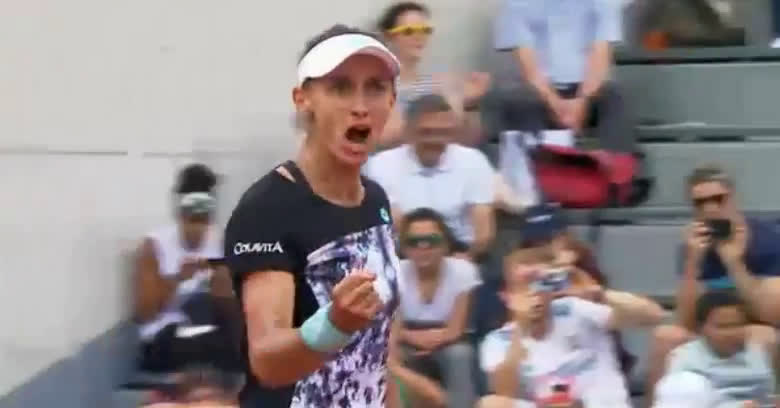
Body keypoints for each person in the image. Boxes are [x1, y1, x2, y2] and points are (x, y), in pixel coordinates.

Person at [224, 25, 402, 407]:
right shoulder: (267, 208)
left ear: (392, 101)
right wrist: (333, 324)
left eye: (375, 87)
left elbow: (376, 354)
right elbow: (266, 361)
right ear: (303, 100)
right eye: (340, 87)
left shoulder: (377, 200)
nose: (360, 105)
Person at [645, 164, 780, 404]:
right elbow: (685, 320)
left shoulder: (768, 238)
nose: (710, 208)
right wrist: (692, 262)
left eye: (718, 199)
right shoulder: (693, 246)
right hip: (710, 327)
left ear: (732, 197)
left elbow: (772, 314)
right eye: (700, 202)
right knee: (666, 336)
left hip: (754, 325)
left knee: (766, 335)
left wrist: (734, 263)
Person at [478, 246, 664, 408]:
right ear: (507, 296)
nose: (533, 293)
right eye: (523, 286)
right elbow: (504, 391)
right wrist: (521, 328)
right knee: (491, 404)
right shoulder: (499, 340)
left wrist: (599, 293)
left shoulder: (575, 309)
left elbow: (653, 316)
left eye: (539, 284)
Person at [133, 163, 241, 373]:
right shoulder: (155, 245)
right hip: (164, 338)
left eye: (203, 218)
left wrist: (223, 290)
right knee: (210, 346)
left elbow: (231, 315)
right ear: (181, 213)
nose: (197, 228)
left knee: (238, 344)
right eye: (192, 218)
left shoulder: (221, 242)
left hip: (207, 332)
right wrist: (178, 279)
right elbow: (144, 313)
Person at [364, 94, 496, 261]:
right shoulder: (381, 164)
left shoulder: (474, 161)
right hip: (403, 252)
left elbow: (483, 231)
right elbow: (395, 223)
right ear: (408, 131)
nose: (435, 140)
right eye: (426, 132)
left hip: (462, 252)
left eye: (443, 132)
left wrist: (465, 260)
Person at [492, 0, 635, 153]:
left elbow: (600, 59)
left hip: (589, 90)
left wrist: (583, 100)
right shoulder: (517, 4)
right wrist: (552, 101)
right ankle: (535, 164)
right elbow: (529, 68)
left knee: (614, 95)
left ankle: (620, 165)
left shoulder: (603, 3)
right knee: (522, 101)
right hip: (539, 91)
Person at [392, 208, 480, 408]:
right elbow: (394, 329)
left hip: (450, 339)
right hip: (406, 338)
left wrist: (431, 342)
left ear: (445, 244)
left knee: (460, 355)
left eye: (431, 240)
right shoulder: (395, 273)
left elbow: (456, 329)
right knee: (391, 356)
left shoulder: (463, 271)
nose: (423, 248)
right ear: (404, 247)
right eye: (414, 241)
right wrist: (415, 339)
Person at [377, 1, 492, 147]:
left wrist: (470, 104)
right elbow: (385, 138)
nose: (419, 37)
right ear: (388, 37)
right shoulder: (380, 85)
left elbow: (469, 140)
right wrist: (447, 111)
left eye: (424, 30)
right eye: (409, 31)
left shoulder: (437, 85)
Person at [656, 291, 776, 408]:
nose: (731, 333)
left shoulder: (758, 354)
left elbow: (767, 396)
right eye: (722, 327)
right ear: (701, 328)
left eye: (737, 325)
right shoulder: (685, 360)